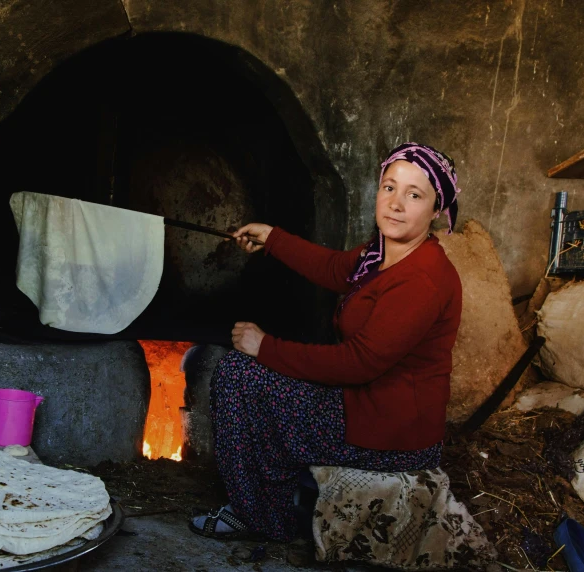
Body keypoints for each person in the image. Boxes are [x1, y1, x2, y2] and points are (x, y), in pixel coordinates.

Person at [189, 142, 463, 543]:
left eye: (414, 194)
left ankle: (258, 516)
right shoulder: (383, 254)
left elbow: (359, 363)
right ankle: (270, 501)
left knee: (238, 374)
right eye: (389, 187)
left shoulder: (423, 278)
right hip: (365, 408)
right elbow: (337, 268)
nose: (396, 203)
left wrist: (264, 346)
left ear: (437, 209)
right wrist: (274, 239)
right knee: (249, 374)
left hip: (391, 435)